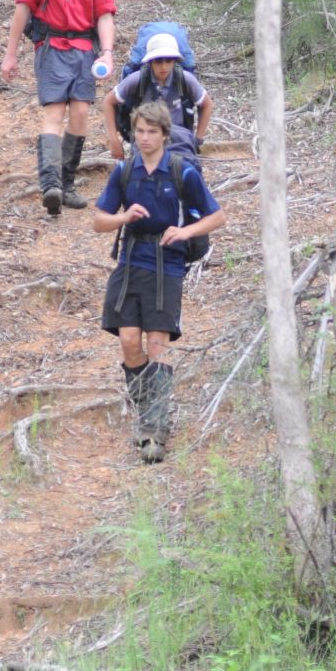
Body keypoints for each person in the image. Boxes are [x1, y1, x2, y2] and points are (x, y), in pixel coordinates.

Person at [92, 99, 224, 461]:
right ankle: (146, 410)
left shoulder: (182, 172)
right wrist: (124, 218)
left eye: (152, 132)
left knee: (157, 344)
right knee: (129, 341)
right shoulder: (125, 170)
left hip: (167, 266)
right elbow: (98, 220)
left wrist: (184, 233)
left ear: (165, 134)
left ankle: (155, 429)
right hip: (131, 262)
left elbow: (216, 217)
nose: (145, 138)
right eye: (139, 131)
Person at [0, 0, 115, 216]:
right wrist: (11, 54)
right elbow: (24, 5)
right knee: (54, 113)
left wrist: (107, 51)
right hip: (50, 45)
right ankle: (50, 183)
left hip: (84, 48)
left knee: (80, 113)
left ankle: (66, 183)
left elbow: (105, 14)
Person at [105, 30, 212, 160]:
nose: (164, 67)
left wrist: (198, 139)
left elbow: (206, 105)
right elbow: (108, 102)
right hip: (145, 138)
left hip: (178, 138)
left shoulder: (185, 79)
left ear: (175, 61)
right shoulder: (137, 79)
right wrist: (114, 140)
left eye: (168, 61)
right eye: (158, 61)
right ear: (150, 62)